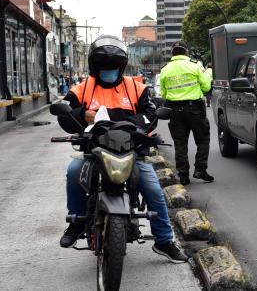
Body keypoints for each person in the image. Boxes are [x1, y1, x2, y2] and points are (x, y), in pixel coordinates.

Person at [58, 35, 188, 262]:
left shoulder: (136, 88)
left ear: (122, 66)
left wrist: (134, 125)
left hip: (131, 152)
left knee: (154, 189)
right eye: (104, 66)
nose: (109, 70)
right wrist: (81, 115)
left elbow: (150, 115)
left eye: (114, 66)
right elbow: (66, 115)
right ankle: (77, 223)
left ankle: (165, 240)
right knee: (73, 171)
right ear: (94, 67)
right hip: (94, 153)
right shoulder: (82, 89)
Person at [160, 41, 214, 185]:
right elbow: (207, 86)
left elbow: (164, 93)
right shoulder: (195, 65)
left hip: (175, 111)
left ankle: (183, 175)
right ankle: (200, 170)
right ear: (186, 52)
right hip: (195, 108)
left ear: (172, 53)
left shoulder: (165, 69)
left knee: (180, 143)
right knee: (202, 140)